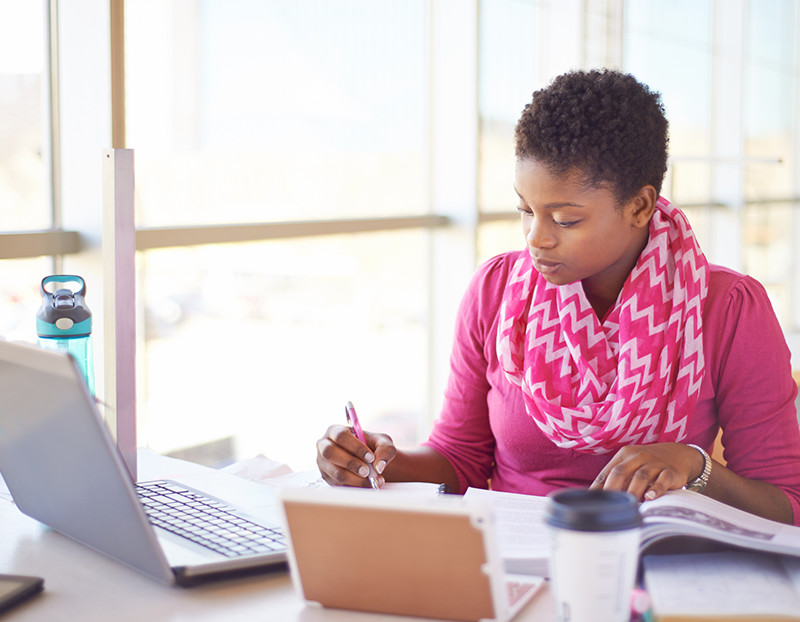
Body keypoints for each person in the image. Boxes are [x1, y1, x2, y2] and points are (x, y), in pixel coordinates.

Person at [316, 68, 800, 526]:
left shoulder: (728, 307)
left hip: (652, 572)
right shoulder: (497, 291)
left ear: (640, 206)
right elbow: (459, 460)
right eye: (526, 210)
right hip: (508, 562)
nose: (535, 239)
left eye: (565, 220)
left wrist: (694, 466)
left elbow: (787, 504)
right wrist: (376, 460)